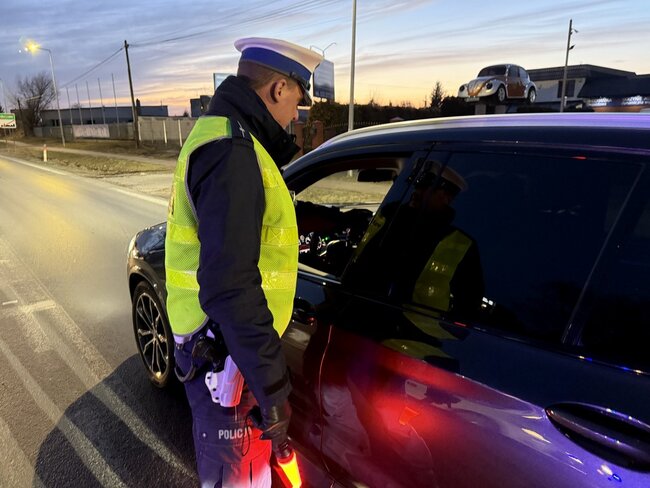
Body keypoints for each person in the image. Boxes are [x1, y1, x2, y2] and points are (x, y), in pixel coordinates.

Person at [164, 37, 322, 487]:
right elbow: (229, 284)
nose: (296, 115)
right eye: (297, 101)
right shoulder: (232, 151)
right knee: (240, 479)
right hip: (228, 358)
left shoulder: (225, 136)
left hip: (223, 346)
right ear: (278, 88)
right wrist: (272, 388)